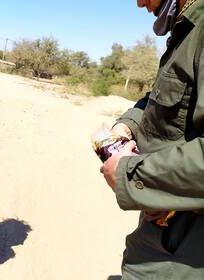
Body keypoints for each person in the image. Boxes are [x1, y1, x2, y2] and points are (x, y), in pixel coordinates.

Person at [100, 0, 204, 279]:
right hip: (164, 228)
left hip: (188, 249)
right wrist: (128, 124)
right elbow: (160, 98)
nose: (139, 3)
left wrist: (129, 174)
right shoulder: (187, 29)